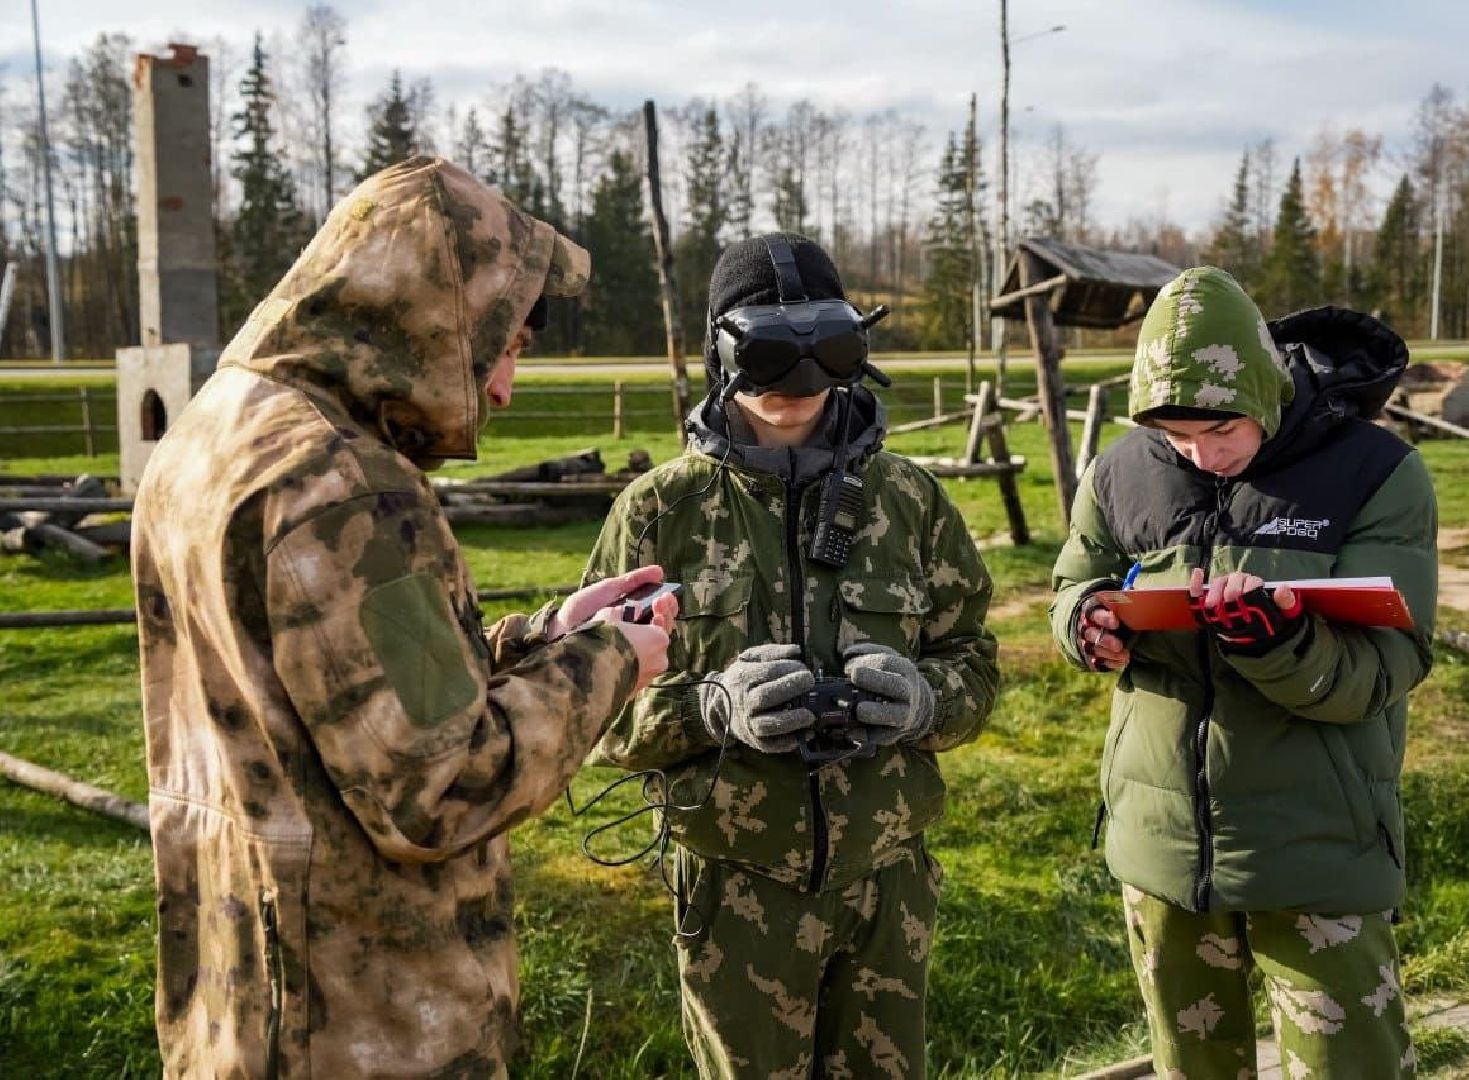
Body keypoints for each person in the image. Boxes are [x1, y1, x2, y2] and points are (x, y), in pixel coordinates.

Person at [131, 156, 676, 1077]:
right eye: (504, 345)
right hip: (363, 1019)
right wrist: (612, 663)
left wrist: (543, 641)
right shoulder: (341, 484)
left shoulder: (221, 428)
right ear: (432, 316)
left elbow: (340, 698)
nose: (501, 389)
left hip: (245, 994)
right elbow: (445, 783)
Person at [582, 232, 999, 1079]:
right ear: (722, 351)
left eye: (823, 345)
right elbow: (592, 705)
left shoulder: (910, 501)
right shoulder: (660, 511)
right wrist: (708, 708)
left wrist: (927, 701)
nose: (795, 380)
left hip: (887, 882)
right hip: (735, 888)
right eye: (768, 349)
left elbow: (976, 661)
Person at [1049, 266, 1437, 1077]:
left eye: (1219, 431)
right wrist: (1084, 625)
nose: (1200, 453)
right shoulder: (1122, 469)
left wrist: (1279, 643)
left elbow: (1385, 669)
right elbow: (1069, 582)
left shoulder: (1374, 472)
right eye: (1176, 436)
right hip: (1161, 847)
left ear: (1263, 390)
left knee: (1348, 1066)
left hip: (1315, 845)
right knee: (1190, 1066)